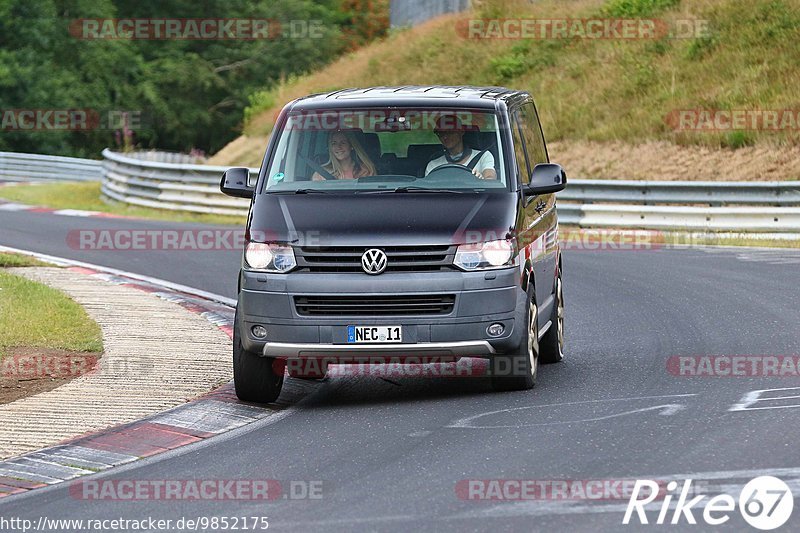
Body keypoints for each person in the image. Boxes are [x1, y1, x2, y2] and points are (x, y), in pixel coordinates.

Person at [425, 116, 497, 179]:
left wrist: (481, 181)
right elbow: (428, 191)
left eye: (450, 131)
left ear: (461, 131)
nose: (445, 137)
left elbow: (490, 179)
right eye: (441, 133)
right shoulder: (433, 165)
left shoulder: (483, 156)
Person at [312, 130, 376, 180]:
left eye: (343, 142)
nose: (338, 147)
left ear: (351, 146)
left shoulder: (365, 171)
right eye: (334, 143)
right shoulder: (321, 173)